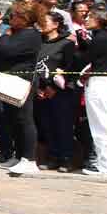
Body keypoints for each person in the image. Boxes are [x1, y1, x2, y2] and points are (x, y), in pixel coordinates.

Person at [0, 0, 44, 175]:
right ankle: (19, 154)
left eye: (14, 16)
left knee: (24, 119)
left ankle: (29, 159)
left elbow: (6, 49)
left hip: (23, 81)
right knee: (12, 120)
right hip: (9, 79)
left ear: (25, 18)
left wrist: (5, 36)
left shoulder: (32, 35)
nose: (10, 19)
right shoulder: (17, 32)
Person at [34, 11, 78, 172]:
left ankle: (66, 159)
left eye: (44, 21)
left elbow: (70, 67)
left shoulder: (66, 43)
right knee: (46, 125)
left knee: (63, 125)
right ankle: (52, 157)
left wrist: (53, 87)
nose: (41, 24)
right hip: (41, 90)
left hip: (60, 91)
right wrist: (38, 87)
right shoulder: (39, 43)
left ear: (56, 24)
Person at [77, 3, 107, 174]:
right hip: (101, 82)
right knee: (102, 125)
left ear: (100, 19)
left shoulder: (101, 38)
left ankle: (106, 165)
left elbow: (85, 58)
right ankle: (106, 164)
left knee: (102, 126)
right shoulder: (101, 37)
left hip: (100, 83)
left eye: (90, 16)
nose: (86, 19)